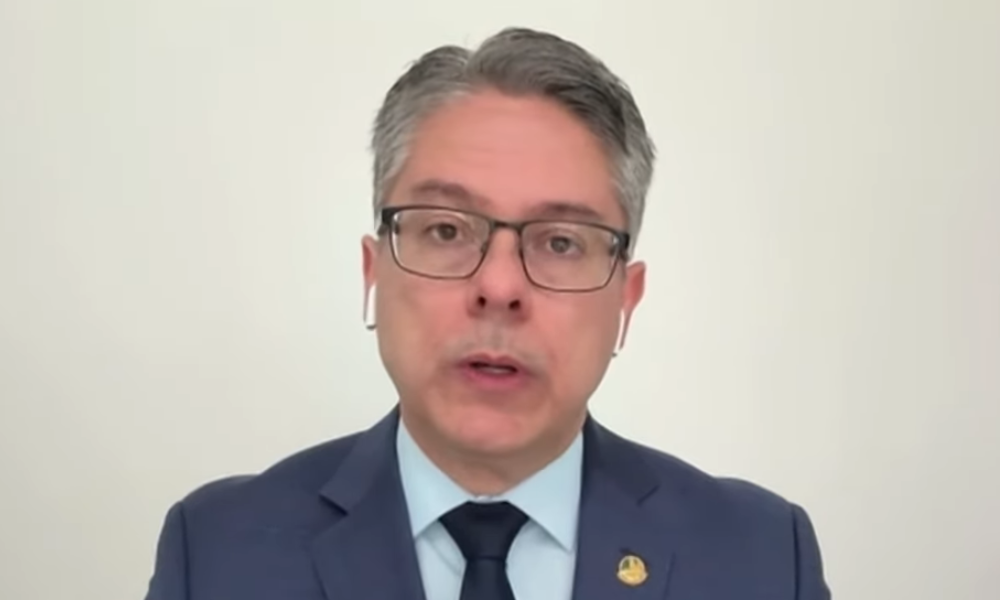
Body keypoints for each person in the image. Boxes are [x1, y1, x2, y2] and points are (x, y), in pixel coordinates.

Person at [144, 27, 830, 600]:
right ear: (373, 272)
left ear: (626, 298)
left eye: (560, 242)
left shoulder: (762, 558)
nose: (499, 287)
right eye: (446, 229)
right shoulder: (218, 553)